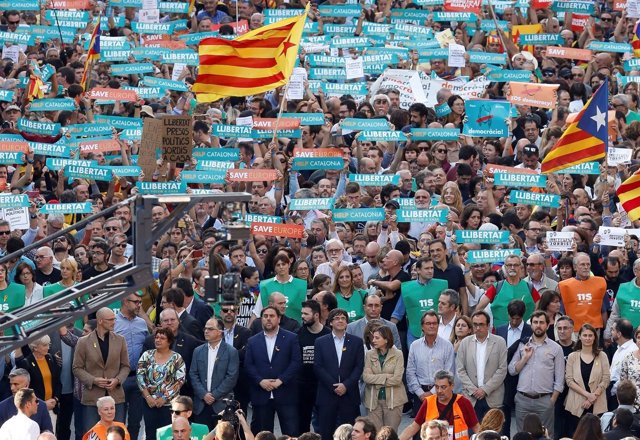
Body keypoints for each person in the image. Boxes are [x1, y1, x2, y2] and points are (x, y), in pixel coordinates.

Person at [244, 306, 302, 436]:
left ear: (279, 318)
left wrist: (281, 380)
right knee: (263, 434)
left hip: (286, 394)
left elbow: (296, 362)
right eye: (265, 316)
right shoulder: (253, 341)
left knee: (291, 434)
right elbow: (249, 364)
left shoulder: (291, 338)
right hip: (261, 394)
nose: (268, 319)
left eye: (272, 316)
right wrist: (260, 381)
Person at [72, 308, 130, 434]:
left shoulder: (120, 340)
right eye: (110, 320)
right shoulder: (83, 342)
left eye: (114, 319)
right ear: (100, 321)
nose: (114, 322)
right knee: (93, 434)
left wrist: (117, 380)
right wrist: (93, 380)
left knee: (117, 433)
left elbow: (125, 366)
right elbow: (76, 368)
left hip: (115, 396)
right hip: (93, 397)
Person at [508, 310, 565, 436]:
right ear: (531, 325)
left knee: (546, 435)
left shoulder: (556, 348)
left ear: (548, 325)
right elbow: (512, 370)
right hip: (522, 399)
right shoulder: (522, 344)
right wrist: (524, 358)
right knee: (522, 435)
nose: (538, 325)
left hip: (544, 400)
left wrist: (552, 400)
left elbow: (560, 379)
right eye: (535, 322)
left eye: (541, 322)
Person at [314, 308, 364, 440]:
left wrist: (345, 385)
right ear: (330, 322)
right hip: (327, 395)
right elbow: (318, 367)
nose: (340, 321)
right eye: (337, 318)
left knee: (350, 434)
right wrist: (334, 386)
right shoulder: (320, 342)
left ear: (347, 322)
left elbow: (359, 367)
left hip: (349, 395)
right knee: (326, 433)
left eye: (343, 318)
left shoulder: (356, 342)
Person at [456, 311, 508, 421]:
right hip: (471, 397)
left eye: (481, 324)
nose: (478, 327)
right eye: (475, 324)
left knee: (492, 435)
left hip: (493, 397)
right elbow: (460, 369)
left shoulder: (499, 342)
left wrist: (485, 389)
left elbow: (502, 369)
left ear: (488, 325)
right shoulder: (465, 342)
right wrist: (473, 390)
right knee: (472, 435)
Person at [189, 318, 239, 430]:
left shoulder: (231, 351)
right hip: (201, 405)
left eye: (210, 329)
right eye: (205, 328)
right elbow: (193, 374)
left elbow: (231, 377)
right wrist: (203, 394)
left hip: (222, 404)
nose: (206, 331)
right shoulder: (198, 351)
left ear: (220, 332)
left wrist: (214, 395)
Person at [399, 370, 479, 440]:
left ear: (452, 386)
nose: (439, 391)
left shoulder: (463, 402)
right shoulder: (428, 402)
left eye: (443, 387)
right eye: (437, 387)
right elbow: (414, 427)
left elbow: (476, 427)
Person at [137, 327, 186, 440]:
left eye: (162, 338)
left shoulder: (177, 358)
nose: (158, 340)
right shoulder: (147, 355)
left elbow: (180, 380)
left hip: (169, 405)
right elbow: (140, 377)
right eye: (157, 337)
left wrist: (164, 397)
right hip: (149, 403)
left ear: (169, 341)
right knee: (150, 434)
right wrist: (148, 397)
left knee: (167, 435)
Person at [564, 323, 610, 434]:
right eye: (585, 335)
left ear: (595, 337)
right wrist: (587, 395)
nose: (587, 338)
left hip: (597, 403)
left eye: (590, 335)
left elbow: (606, 379)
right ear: (579, 336)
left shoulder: (602, 355)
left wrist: (592, 397)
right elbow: (569, 380)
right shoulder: (572, 356)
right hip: (576, 404)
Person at [406, 311, 455, 416]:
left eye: (434, 323)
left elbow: (449, 372)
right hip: (420, 394)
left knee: (442, 428)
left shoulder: (447, 346)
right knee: (421, 429)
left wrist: (432, 393)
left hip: (442, 392)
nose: (432, 326)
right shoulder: (414, 346)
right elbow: (410, 372)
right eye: (428, 323)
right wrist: (420, 393)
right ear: (422, 326)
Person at [391, 257, 447, 346]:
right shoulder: (407, 288)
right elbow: (398, 313)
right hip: (415, 333)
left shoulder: (442, 285)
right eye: (427, 268)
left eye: (432, 268)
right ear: (418, 270)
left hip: (439, 332)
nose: (430, 271)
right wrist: (388, 331)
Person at [362, 325, 407, 431]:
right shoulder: (369, 354)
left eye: (377, 338)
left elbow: (397, 379)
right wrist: (386, 376)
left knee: (390, 434)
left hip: (394, 401)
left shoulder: (398, 354)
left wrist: (375, 379)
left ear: (386, 339)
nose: (373, 340)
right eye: (373, 337)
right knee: (376, 434)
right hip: (373, 401)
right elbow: (366, 377)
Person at [476, 255, 539, 328]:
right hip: (500, 333)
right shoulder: (496, 287)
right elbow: (479, 308)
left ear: (520, 267)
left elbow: (539, 308)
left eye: (515, 265)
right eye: (509, 265)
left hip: (525, 333)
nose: (512, 268)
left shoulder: (529, 287)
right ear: (505, 267)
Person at [297, 300, 330, 433]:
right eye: (302, 313)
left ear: (316, 315)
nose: (303, 316)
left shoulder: (328, 334)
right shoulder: (298, 334)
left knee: (324, 423)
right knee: (302, 424)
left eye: (306, 313)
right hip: (303, 386)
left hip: (323, 385)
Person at [15, 335, 61, 424]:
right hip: (34, 409)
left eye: (48, 344)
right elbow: (25, 389)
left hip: (51, 408)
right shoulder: (27, 363)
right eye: (44, 345)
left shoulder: (51, 359)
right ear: (35, 347)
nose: (48, 348)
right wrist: (43, 404)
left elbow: (58, 382)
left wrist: (55, 399)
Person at [558, 253, 607, 334]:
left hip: (594, 330)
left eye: (588, 264)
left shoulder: (600, 283)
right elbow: (561, 312)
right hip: (573, 331)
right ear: (575, 267)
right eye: (582, 264)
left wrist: (605, 332)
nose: (586, 267)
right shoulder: (564, 285)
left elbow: (604, 310)